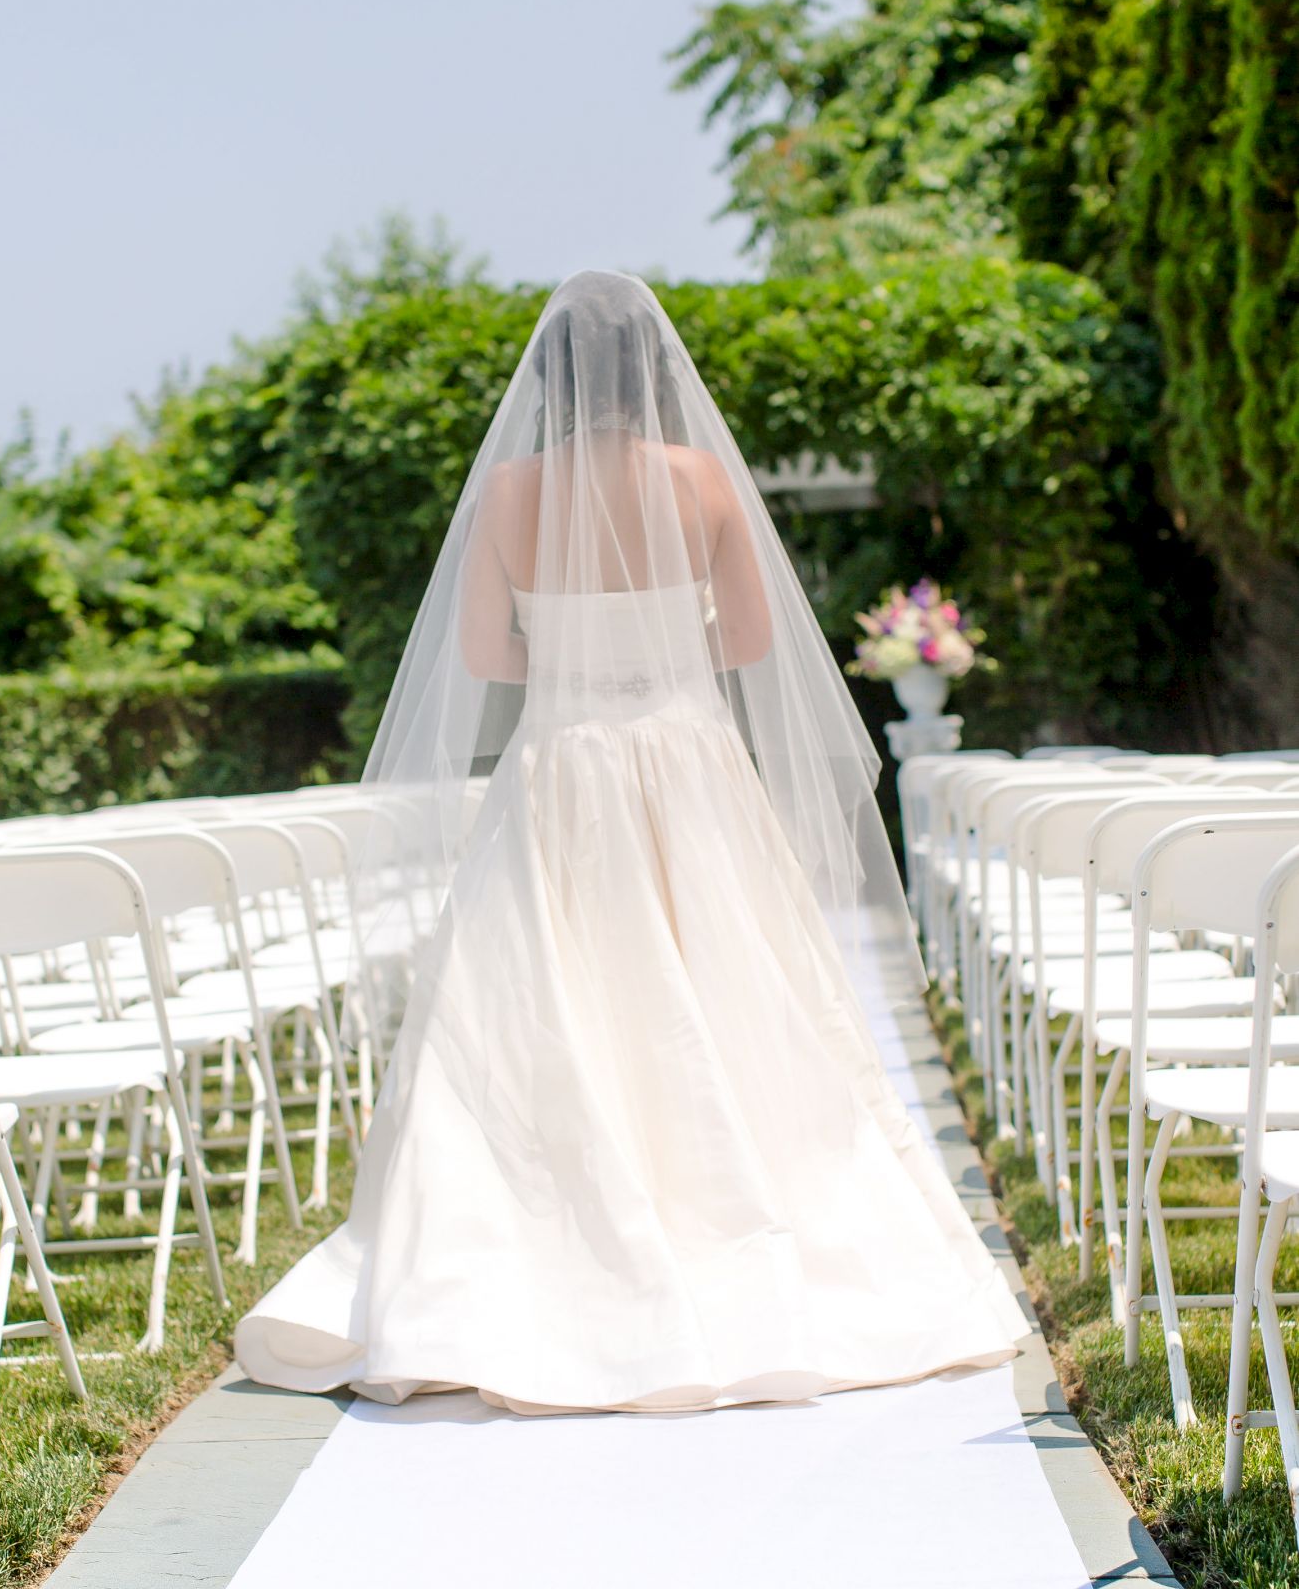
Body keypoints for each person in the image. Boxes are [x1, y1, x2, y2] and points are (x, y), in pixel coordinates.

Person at [236, 271, 1026, 1414]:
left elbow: (489, 661)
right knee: (725, 988)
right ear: (657, 373)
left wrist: (575, 656)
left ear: (547, 379)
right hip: (688, 761)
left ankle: (544, 1264)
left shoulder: (509, 492)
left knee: (543, 1001)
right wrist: (661, 645)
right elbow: (750, 637)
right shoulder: (702, 480)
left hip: (562, 767)